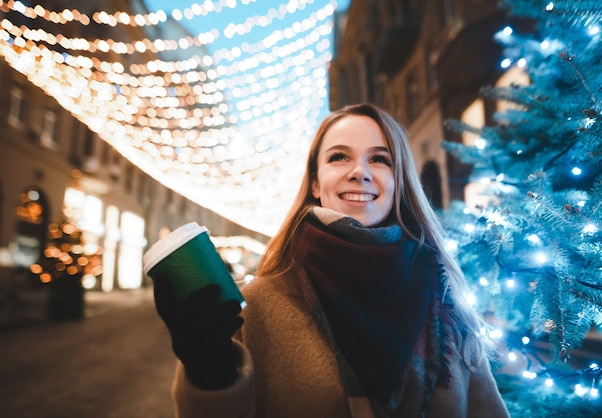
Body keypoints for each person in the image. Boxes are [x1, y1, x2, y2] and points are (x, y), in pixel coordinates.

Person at [153, 103, 510, 417]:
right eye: (339, 156)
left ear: (398, 181)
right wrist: (208, 376)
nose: (360, 171)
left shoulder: (443, 297)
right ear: (314, 182)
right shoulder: (258, 306)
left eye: (380, 159)